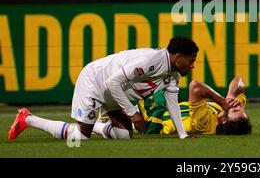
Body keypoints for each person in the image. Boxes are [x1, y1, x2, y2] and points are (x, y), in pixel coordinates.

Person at [8, 37, 199, 141]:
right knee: (81, 137)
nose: (192, 66)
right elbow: (111, 83)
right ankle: (28, 119)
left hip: (114, 91)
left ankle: (98, 124)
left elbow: (172, 101)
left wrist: (183, 135)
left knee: (124, 136)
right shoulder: (150, 61)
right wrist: (133, 113)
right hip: (96, 80)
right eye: (191, 61)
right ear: (177, 56)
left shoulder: (173, 73)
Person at [95, 76, 252, 136]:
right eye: (241, 109)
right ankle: (107, 112)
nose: (238, 107)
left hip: (156, 121)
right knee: (160, 83)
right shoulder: (231, 107)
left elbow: (195, 86)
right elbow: (239, 81)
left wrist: (221, 100)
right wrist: (231, 94)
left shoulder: (205, 122)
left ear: (224, 121)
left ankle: (101, 123)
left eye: (236, 111)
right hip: (164, 108)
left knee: (155, 88)